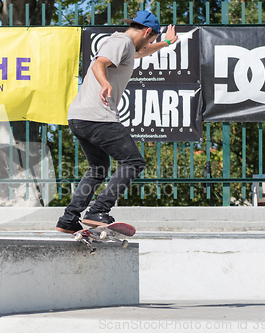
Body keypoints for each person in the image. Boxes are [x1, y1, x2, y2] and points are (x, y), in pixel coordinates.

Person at [56, 11, 178, 233]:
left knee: (98, 168)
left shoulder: (128, 46)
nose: (150, 43)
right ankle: (98, 211)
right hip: (97, 116)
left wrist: (166, 42)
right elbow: (98, 64)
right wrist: (104, 83)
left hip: (80, 117)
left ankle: (68, 219)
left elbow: (144, 50)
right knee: (133, 162)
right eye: (152, 38)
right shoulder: (121, 42)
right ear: (147, 31)